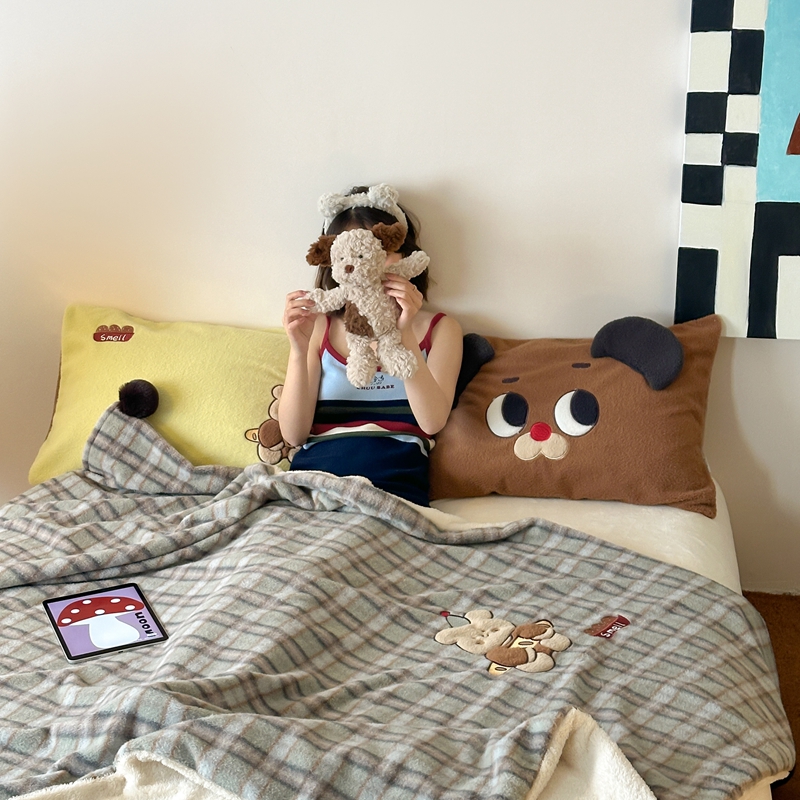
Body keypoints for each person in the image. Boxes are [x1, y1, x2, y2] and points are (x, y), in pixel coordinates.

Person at [280, 184, 463, 506]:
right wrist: (298, 349)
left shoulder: (440, 329)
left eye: (379, 249)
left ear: (404, 254)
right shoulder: (319, 325)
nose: (365, 266)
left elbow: (432, 422)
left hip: (394, 484)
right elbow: (293, 435)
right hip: (313, 483)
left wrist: (404, 332)